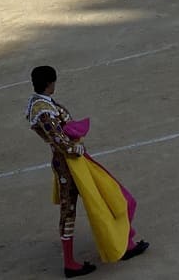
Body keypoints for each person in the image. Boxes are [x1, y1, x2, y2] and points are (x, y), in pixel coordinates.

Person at [25, 65, 147, 276]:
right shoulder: (41, 109)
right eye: (53, 82)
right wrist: (74, 147)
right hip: (69, 165)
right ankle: (70, 264)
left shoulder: (40, 103)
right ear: (49, 83)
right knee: (75, 209)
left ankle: (124, 243)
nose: (55, 85)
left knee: (105, 197)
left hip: (72, 163)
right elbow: (57, 138)